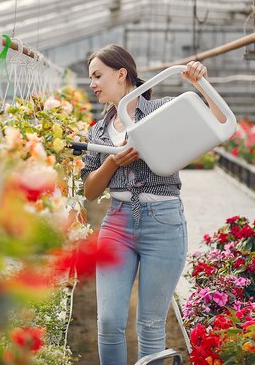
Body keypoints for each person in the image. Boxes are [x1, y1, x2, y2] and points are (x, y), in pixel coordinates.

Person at [79, 44, 225, 365]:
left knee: (150, 324)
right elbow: (90, 190)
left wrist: (200, 83)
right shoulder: (98, 130)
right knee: (109, 322)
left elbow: (218, 121)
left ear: (121, 74)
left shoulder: (162, 110)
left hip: (163, 221)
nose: (92, 84)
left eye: (97, 75)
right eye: (91, 77)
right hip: (117, 223)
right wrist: (111, 164)